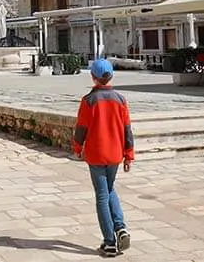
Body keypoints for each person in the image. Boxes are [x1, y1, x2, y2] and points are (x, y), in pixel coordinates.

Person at [72, 59, 134, 258]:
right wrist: (129, 155)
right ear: (111, 76)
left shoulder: (88, 101)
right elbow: (127, 130)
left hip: (97, 153)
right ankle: (120, 228)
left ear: (93, 77)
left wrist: (77, 147)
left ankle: (109, 242)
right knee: (110, 188)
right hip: (115, 153)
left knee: (101, 194)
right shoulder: (121, 100)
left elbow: (81, 128)